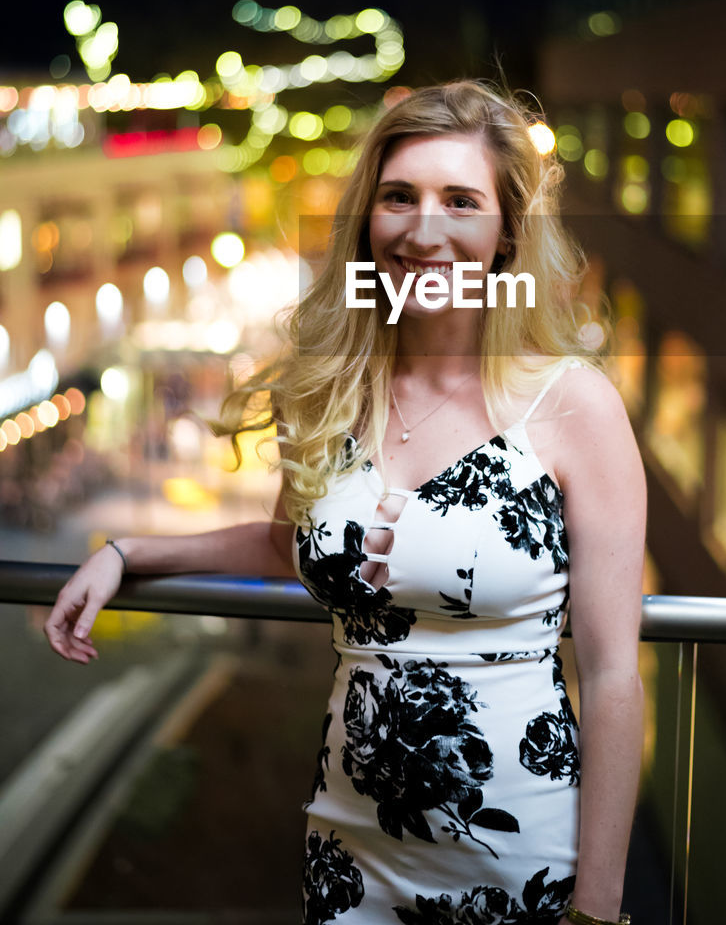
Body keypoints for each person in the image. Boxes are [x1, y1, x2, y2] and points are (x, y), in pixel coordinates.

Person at [45, 80, 646, 925]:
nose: (424, 227)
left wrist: (599, 906)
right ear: (368, 217)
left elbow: (616, 674)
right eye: (400, 196)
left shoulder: (574, 406)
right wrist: (129, 553)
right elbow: (297, 546)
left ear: (506, 233)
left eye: (460, 201)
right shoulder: (331, 393)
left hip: (523, 863)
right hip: (348, 849)